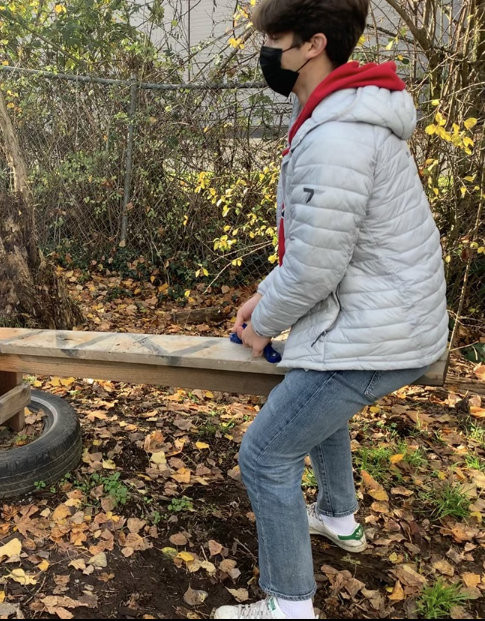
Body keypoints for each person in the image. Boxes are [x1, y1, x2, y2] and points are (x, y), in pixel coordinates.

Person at [215, 0, 448, 619]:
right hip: (392, 317)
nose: (266, 54)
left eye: (277, 41)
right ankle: (338, 517)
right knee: (313, 394)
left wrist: (262, 325)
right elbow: (321, 247)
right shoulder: (345, 114)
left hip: (382, 333)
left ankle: (289, 606)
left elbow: (317, 268)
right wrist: (264, 295)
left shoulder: (337, 135)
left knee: (265, 454)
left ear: (313, 45)